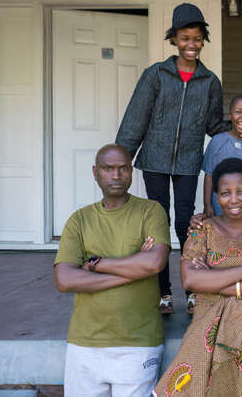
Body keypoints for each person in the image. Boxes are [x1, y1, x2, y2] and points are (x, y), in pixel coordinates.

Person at [115, 2, 242, 314]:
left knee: (184, 223)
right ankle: (163, 293)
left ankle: (193, 290)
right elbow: (136, 118)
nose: (190, 44)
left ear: (202, 40)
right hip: (154, 159)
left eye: (196, 38)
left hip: (188, 162)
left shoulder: (209, 81)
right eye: (184, 38)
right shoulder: (156, 75)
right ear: (174, 39)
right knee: (157, 223)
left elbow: (213, 124)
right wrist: (121, 158)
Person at [153, 158, 242, 397]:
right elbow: (191, 281)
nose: (234, 199)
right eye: (226, 193)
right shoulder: (201, 230)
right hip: (210, 322)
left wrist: (217, 281)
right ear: (216, 195)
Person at [53, 144, 171, 396]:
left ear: (131, 171)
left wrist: (98, 265)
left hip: (139, 343)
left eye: (123, 168)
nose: (116, 175)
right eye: (108, 169)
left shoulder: (151, 211)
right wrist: (134, 268)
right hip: (84, 343)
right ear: (95, 173)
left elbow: (154, 264)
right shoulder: (79, 220)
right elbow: (64, 279)